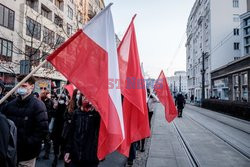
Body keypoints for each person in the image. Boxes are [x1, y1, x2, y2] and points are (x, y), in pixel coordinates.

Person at [0, 75, 48, 167]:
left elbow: (42, 131)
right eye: (20, 85)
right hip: (11, 152)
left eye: (24, 86)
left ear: (32, 86)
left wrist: (27, 142)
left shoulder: (38, 106)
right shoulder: (10, 105)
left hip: (27, 155)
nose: (21, 88)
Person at [64, 94, 101, 167]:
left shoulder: (96, 114)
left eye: (88, 96)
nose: (85, 98)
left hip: (90, 157)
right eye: (83, 96)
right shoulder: (76, 113)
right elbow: (71, 133)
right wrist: (68, 151)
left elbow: (101, 133)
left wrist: (97, 110)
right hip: (75, 155)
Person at [40, 90, 55, 160]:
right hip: (40, 122)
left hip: (48, 121)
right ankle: (37, 154)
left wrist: (50, 111)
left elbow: (53, 111)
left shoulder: (51, 101)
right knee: (39, 139)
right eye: (48, 94)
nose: (50, 95)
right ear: (45, 95)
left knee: (47, 139)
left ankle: (47, 154)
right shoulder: (40, 102)